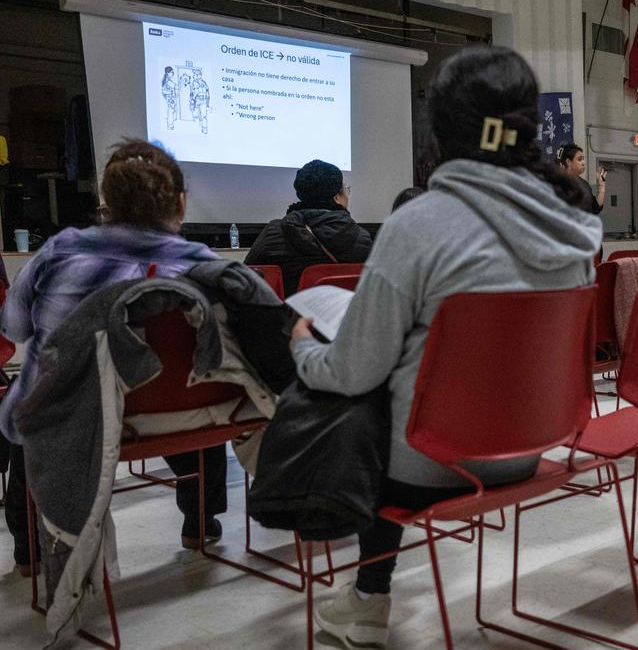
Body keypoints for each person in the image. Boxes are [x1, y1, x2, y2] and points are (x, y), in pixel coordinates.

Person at [296, 46, 600, 649]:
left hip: (429, 464)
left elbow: (355, 371)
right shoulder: (573, 228)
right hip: (531, 446)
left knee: (334, 385)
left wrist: (304, 349)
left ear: (440, 128)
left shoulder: (418, 225)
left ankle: (366, 598)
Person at [1, 140, 228, 574]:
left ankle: (29, 552)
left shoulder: (59, 251)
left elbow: (14, 329)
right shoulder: (205, 265)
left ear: (107, 202)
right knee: (193, 377)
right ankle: (200, 521)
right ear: (180, 202)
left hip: (79, 420)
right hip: (178, 413)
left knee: (32, 395)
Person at [244, 159, 371, 296]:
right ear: (336, 197)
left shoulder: (273, 233)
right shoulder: (361, 238)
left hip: (292, 316)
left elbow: (245, 279)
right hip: (343, 315)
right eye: (346, 189)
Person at [556, 142, 607, 214]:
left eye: (583, 159)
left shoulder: (584, 184)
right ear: (568, 161)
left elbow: (596, 208)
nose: (584, 162)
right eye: (579, 159)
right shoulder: (557, 183)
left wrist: (601, 187)